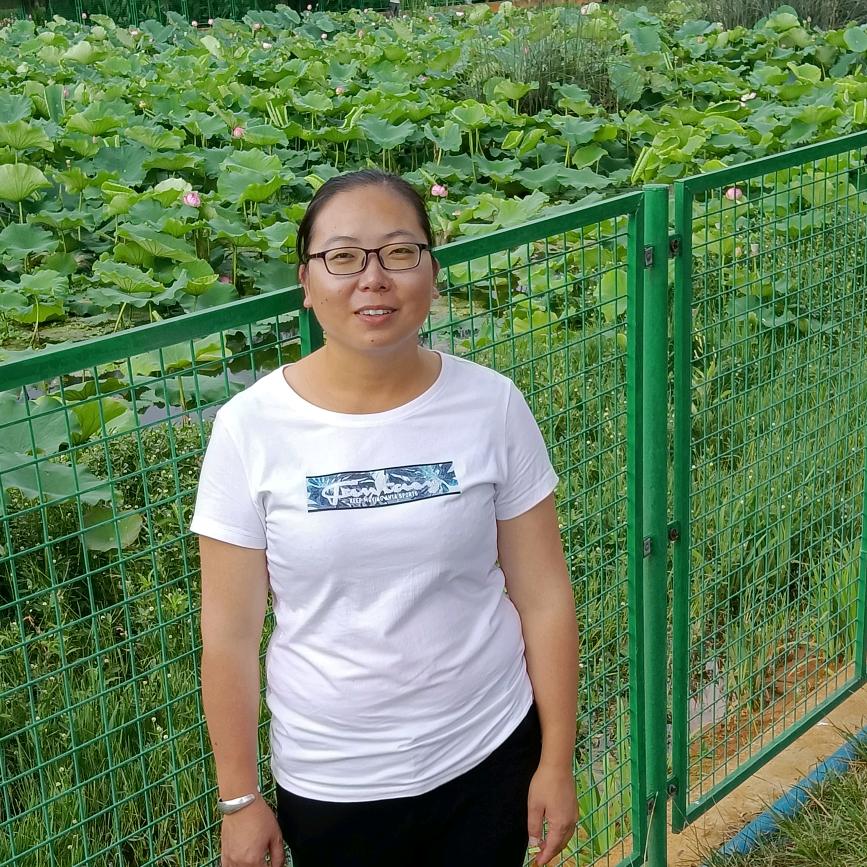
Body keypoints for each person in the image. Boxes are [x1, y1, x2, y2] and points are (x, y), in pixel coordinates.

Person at [192, 169, 579, 867]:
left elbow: (544, 595)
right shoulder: (248, 428)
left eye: (399, 252)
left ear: (432, 272)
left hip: (488, 749)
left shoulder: (491, 404)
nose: (372, 278)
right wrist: (239, 799)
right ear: (306, 284)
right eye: (342, 257)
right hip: (335, 781)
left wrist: (555, 758)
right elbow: (227, 635)